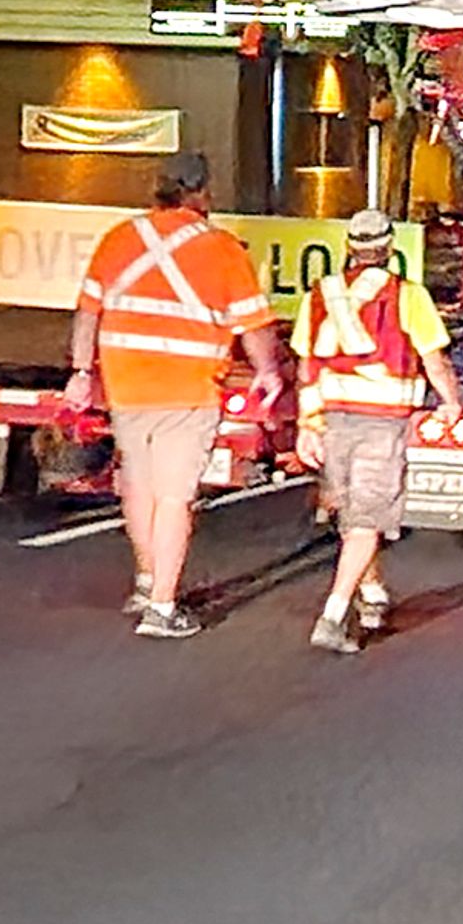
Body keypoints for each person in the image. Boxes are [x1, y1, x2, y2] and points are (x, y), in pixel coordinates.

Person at [67, 151, 284, 639]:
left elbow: (87, 313)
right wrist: (267, 372)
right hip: (185, 388)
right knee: (174, 496)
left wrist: (82, 372)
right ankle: (163, 608)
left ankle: (146, 582)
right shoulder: (222, 249)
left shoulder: (121, 238)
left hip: (125, 383)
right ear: (201, 192)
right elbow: (254, 325)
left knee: (138, 486)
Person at [290, 207, 463, 653]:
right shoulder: (407, 295)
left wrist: (307, 424)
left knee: (351, 515)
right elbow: (434, 359)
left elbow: (306, 363)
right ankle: (333, 614)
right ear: (389, 249)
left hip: (331, 420)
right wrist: (450, 402)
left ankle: (372, 592)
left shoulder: (318, 294)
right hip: (380, 421)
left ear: (349, 248)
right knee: (367, 519)